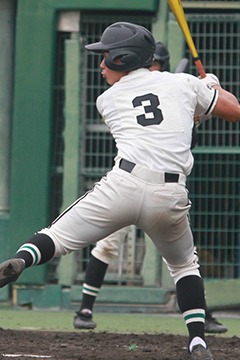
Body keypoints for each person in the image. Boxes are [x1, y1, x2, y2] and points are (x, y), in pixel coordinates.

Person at [0, 22, 239, 359]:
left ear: (125, 58)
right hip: (170, 195)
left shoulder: (107, 99)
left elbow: (165, 115)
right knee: (185, 266)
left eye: (107, 56)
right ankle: (197, 340)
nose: (101, 64)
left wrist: (198, 99)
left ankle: (22, 260)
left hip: (123, 186)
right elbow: (232, 110)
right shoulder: (183, 84)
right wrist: (211, 86)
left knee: (57, 237)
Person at [73, 41, 228, 335]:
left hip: (157, 183)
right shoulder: (152, 88)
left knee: (183, 259)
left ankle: (202, 315)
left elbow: (192, 122)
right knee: (113, 243)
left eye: (157, 63)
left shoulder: (174, 88)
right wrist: (211, 91)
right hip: (130, 176)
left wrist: (204, 96)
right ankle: (85, 307)